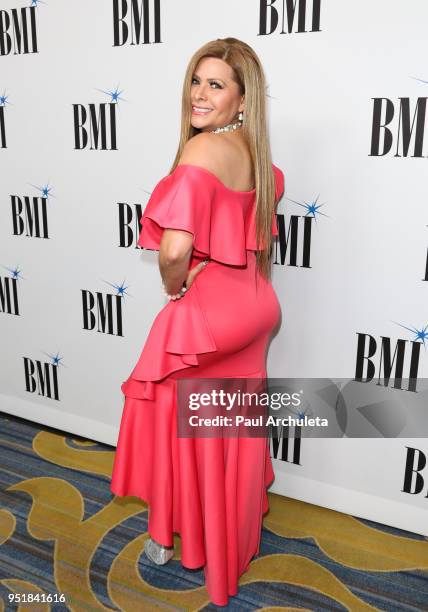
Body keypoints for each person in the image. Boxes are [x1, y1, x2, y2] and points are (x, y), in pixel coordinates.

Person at [110, 37, 285, 606]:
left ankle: (168, 540)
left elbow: (174, 247)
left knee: (170, 423)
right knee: (227, 428)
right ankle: (231, 536)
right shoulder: (257, 155)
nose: (200, 95)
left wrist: (174, 285)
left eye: (217, 85)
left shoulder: (199, 155)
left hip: (208, 320)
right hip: (256, 309)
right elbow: (252, 238)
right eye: (196, 81)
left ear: (241, 100)